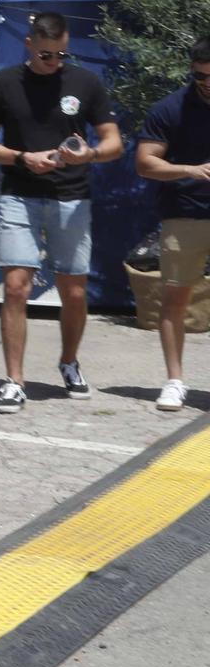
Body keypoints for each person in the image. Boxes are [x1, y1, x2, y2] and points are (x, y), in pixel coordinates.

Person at [0, 12, 124, 414]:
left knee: (74, 291)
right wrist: (23, 157)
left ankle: (69, 362)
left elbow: (114, 142)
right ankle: (14, 381)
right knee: (17, 287)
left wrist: (89, 154)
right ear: (28, 43)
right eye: (45, 54)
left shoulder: (85, 82)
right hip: (19, 194)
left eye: (61, 54)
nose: (53, 61)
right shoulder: (4, 83)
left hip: (72, 197)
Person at [135, 37, 210, 411]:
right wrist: (189, 170)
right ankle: (175, 381)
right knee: (175, 300)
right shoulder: (170, 109)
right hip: (184, 215)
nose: (208, 82)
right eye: (201, 75)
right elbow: (145, 163)